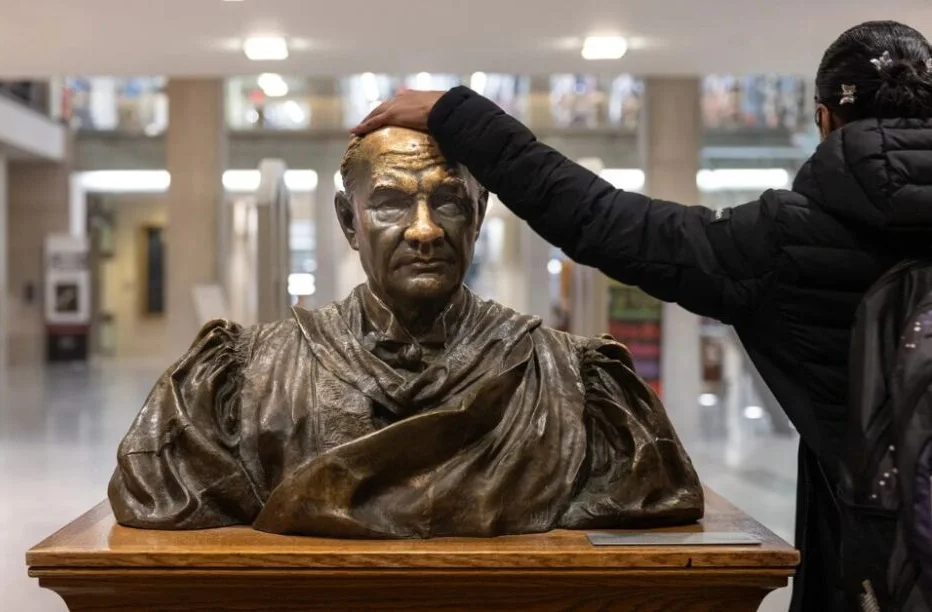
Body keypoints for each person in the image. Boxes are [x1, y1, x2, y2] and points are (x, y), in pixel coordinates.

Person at [352, 20, 932, 612]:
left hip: (879, 571)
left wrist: (461, 116)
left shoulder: (787, 242)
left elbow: (604, 221)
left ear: (824, 119)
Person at [108, 126, 704, 538]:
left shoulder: (571, 379)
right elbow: (154, 499)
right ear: (349, 220)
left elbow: (653, 497)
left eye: (447, 201)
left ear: (479, 214)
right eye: (391, 203)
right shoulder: (246, 375)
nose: (424, 231)